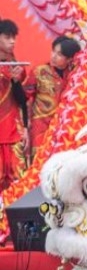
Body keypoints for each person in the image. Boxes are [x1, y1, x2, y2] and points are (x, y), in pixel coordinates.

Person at [25, 35, 81, 160]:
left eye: (60, 54)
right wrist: (25, 124)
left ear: (69, 59)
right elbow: (25, 99)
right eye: (53, 51)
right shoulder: (39, 72)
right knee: (39, 163)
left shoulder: (75, 75)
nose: (54, 56)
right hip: (40, 128)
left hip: (64, 129)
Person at [0, 19, 27, 192]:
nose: (12, 41)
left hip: (12, 132)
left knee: (18, 181)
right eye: (7, 37)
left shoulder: (16, 66)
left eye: (14, 37)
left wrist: (16, 81)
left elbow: (22, 100)